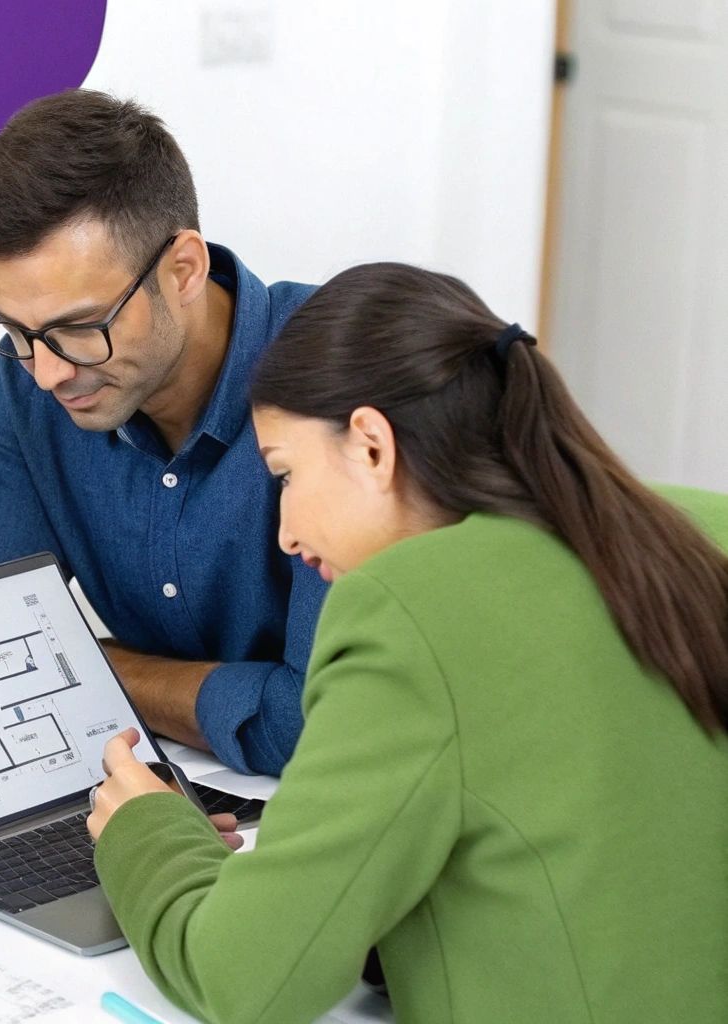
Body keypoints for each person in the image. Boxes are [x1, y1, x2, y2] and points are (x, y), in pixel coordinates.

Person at [87, 262, 728, 1022]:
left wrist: (149, 834)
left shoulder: (409, 610)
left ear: (370, 445)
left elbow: (246, 981)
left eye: (284, 475)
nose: (286, 533)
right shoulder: (696, 531)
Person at [0, 89, 325, 776]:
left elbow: (317, 727)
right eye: (16, 331)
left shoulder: (342, 381)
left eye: (80, 327)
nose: (47, 373)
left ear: (183, 270)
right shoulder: (35, 375)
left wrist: (92, 668)